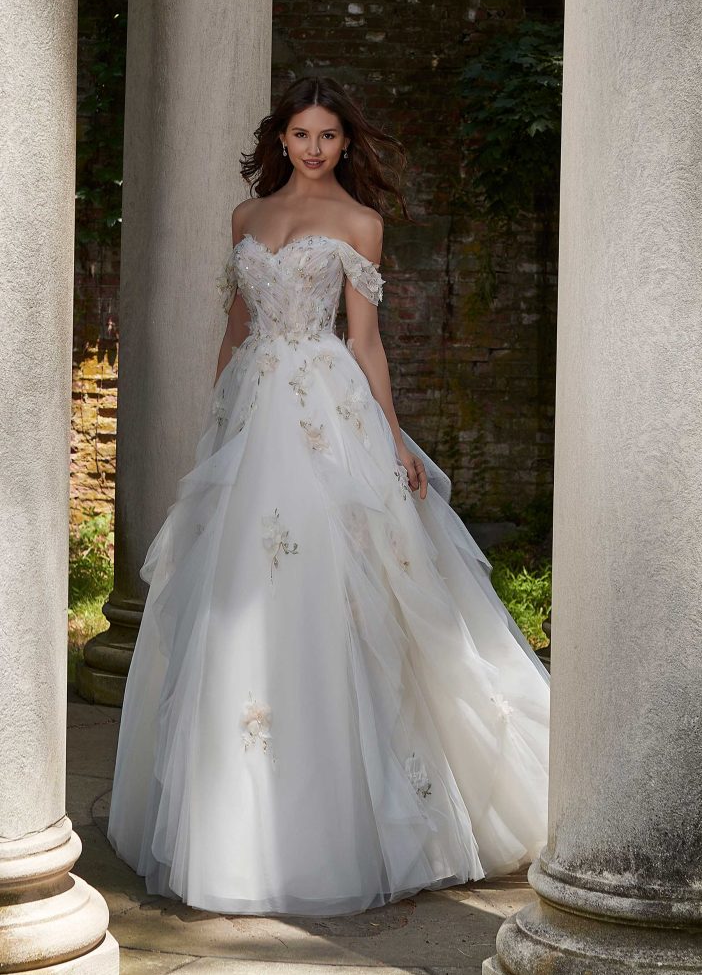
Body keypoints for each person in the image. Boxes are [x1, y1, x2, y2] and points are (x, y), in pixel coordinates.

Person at [107, 75, 550, 918]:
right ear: (281, 140)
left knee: (349, 591)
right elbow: (237, 329)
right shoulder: (245, 218)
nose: (314, 148)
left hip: (326, 409)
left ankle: (363, 810)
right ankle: (235, 819)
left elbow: (368, 343)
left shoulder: (360, 224)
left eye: (329, 136)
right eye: (302, 135)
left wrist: (389, 439)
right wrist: (217, 424)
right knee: (232, 596)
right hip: (254, 411)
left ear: (347, 144)